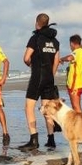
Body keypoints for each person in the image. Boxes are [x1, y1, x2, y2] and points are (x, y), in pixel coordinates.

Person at [19, 13, 60, 151]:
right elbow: (56, 61)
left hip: (38, 77)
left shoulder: (35, 38)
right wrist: (51, 75)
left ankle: (34, 139)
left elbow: (26, 58)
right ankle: (51, 139)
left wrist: (32, 65)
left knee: (29, 107)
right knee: (47, 109)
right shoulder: (55, 41)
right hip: (49, 78)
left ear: (37, 23)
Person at [60, 34, 82, 112]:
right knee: (77, 106)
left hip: (74, 84)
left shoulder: (77, 52)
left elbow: (69, 58)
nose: (70, 47)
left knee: (76, 107)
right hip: (79, 82)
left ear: (72, 43)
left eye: (70, 45)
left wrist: (61, 59)